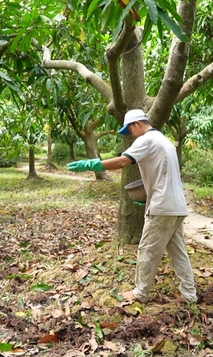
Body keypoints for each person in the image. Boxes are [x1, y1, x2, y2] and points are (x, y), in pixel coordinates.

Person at [67, 108, 198, 304]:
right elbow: (163, 175)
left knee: (146, 250)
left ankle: (140, 293)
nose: (130, 135)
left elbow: (122, 162)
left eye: (130, 130)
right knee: (178, 252)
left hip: (161, 207)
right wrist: (147, 196)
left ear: (138, 123)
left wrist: (94, 164)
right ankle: (189, 295)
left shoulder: (146, 139)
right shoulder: (164, 140)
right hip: (176, 205)